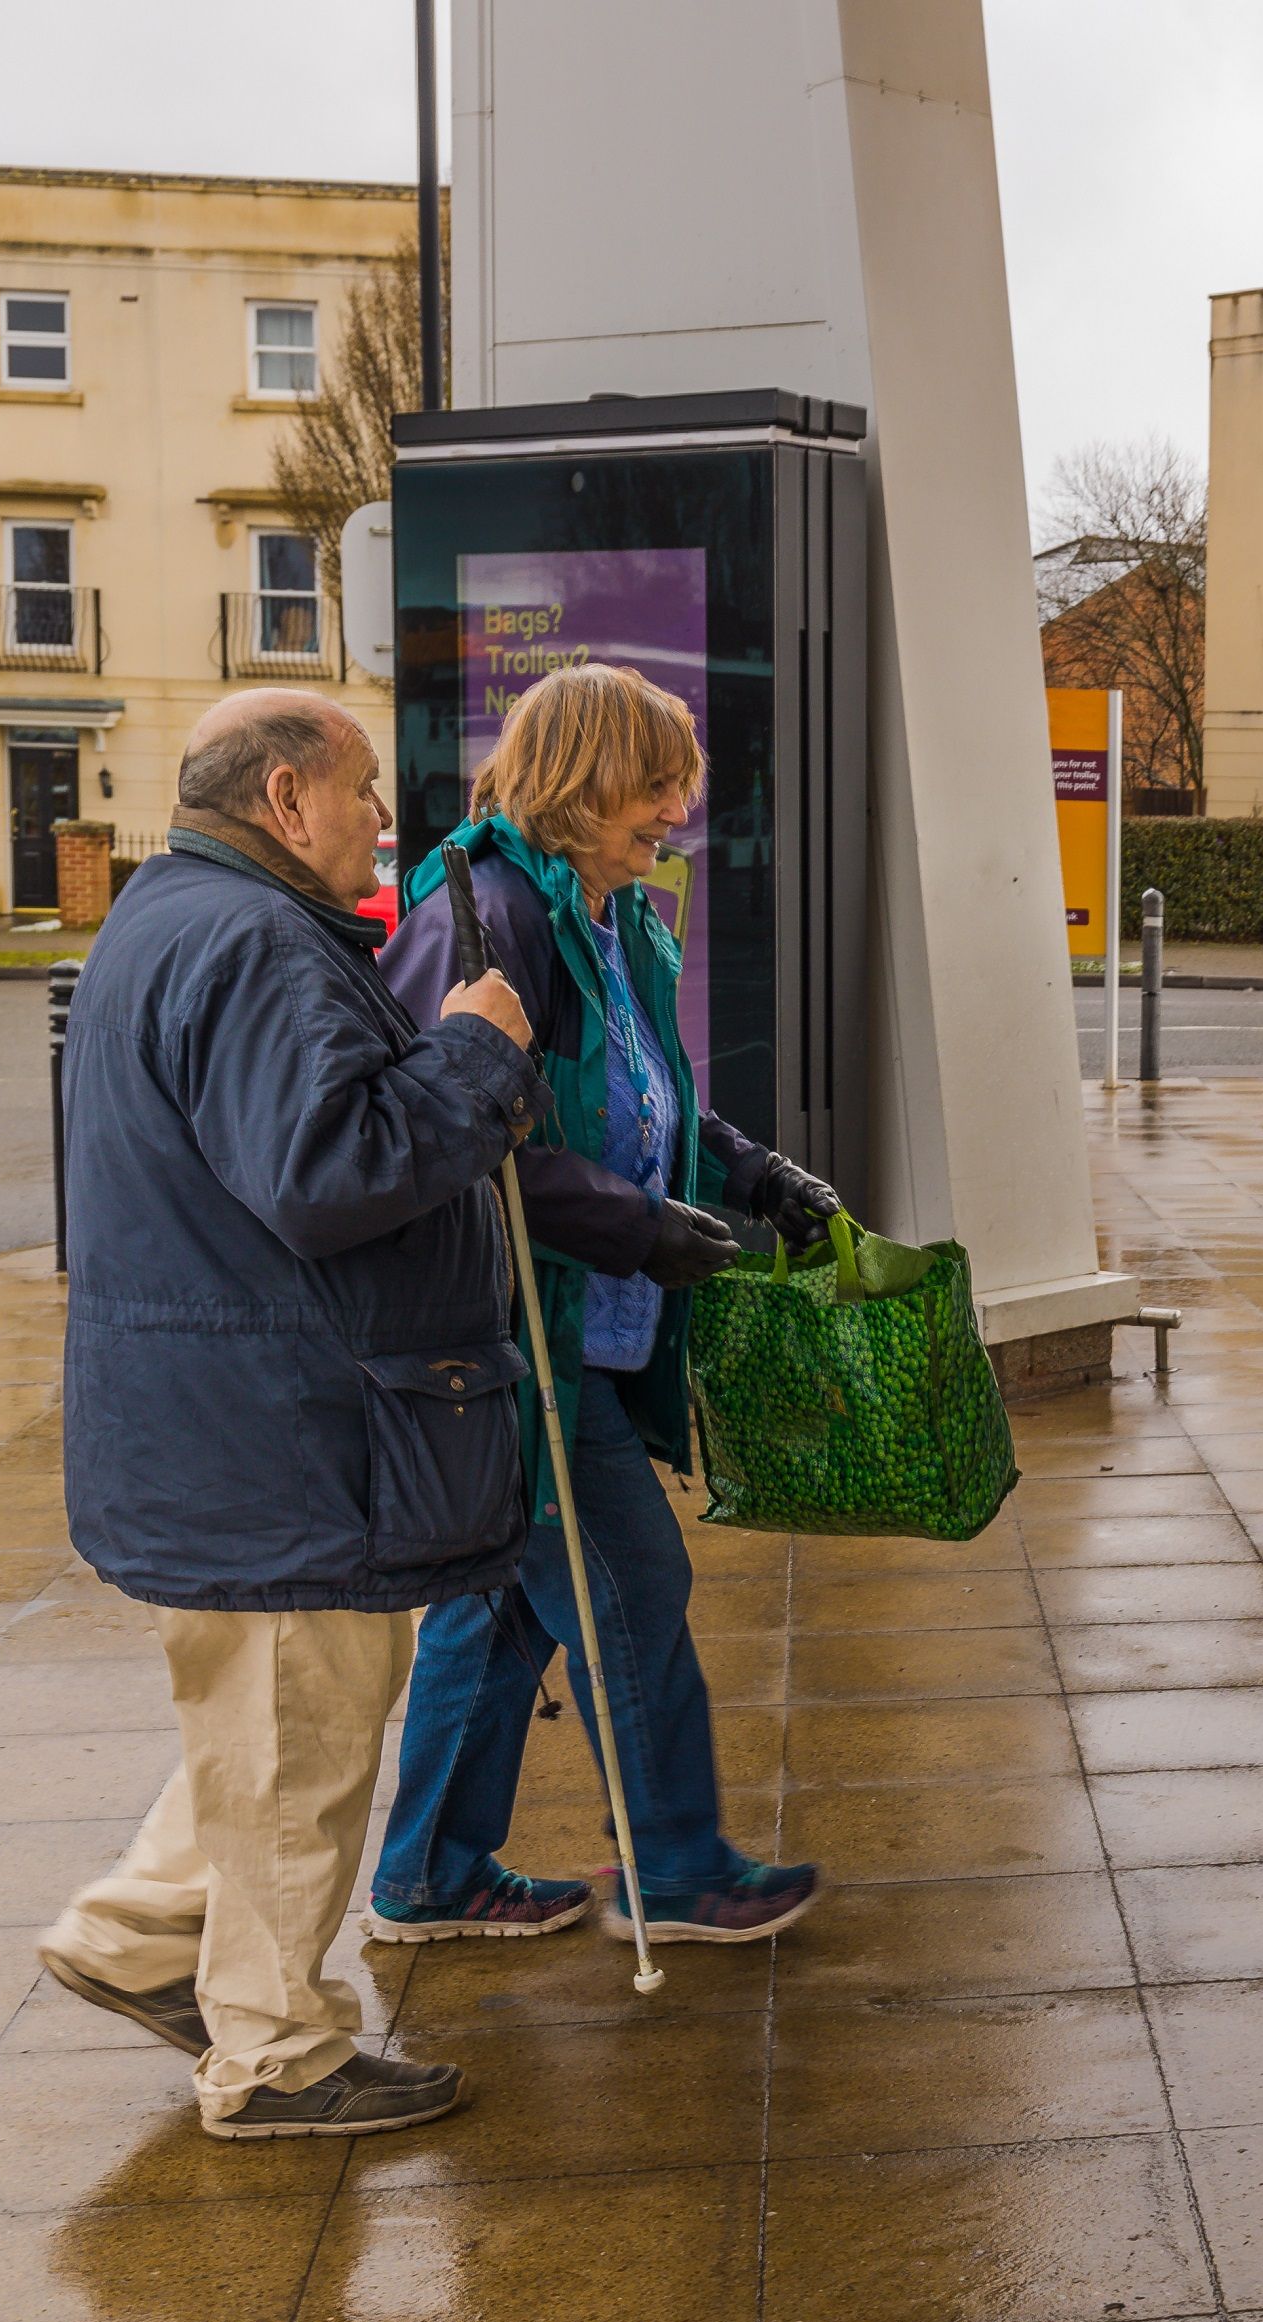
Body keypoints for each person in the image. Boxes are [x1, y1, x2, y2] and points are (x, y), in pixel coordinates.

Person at [38, 688, 542, 2140]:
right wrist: (475, 1050)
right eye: (363, 786)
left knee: (261, 1720)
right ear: (284, 798)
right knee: (294, 1746)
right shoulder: (258, 941)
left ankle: (141, 1932)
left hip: (227, 1414)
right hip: (286, 1428)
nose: (383, 816)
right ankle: (275, 2055)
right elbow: (330, 1174)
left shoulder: (173, 916)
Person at [366, 663, 840, 1947]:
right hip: (515, 1330)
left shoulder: (607, 909)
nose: (679, 811)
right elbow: (451, 1136)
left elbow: (644, 1089)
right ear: (584, 781)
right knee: (628, 1575)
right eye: (657, 785)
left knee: (508, 1602)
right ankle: (675, 1865)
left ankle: (427, 1872)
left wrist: (752, 1171)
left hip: (579, 1323)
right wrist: (636, 1224)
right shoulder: (488, 914)